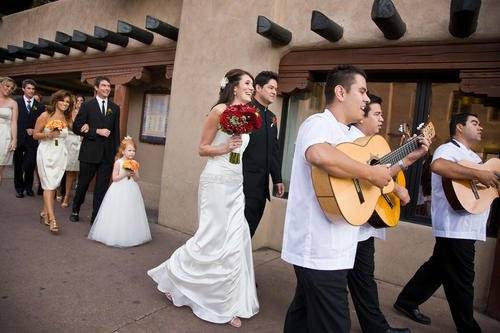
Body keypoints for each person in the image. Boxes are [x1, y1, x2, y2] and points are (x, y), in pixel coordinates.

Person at [281, 65, 393, 333]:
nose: (367, 99)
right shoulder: (318, 123)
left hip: (337, 247)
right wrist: (369, 173)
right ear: (340, 92)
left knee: (303, 315)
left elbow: (365, 172)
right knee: (335, 325)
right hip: (319, 246)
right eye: (362, 91)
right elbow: (319, 154)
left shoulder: (349, 135)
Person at [148, 69, 259, 328]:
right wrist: (224, 147)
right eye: (247, 83)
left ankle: (229, 302)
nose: (251, 87)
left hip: (235, 182)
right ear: (233, 87)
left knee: (236, 237)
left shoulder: (249, 116)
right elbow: (202, 148)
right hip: (216, 180)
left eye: (252, 84)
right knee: (212, 236)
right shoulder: (219, 111)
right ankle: (174, 275)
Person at [394, 112, 498, 332]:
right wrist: (478, 176)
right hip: (456, 227)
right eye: (475, 122)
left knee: (438, 268)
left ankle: (407, 301)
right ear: (459, 127)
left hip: (466, 227)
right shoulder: (447, 149)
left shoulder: (475, 158)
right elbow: (438, 166)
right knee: (462, 280)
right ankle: (468, 328)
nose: (480, 127)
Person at [346, 93, 430, 333]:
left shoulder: (374, 144)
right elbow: (360, 176)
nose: (382, 119)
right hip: (348, 218)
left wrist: (410, 156)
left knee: (364, 279)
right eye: (377, 114)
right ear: (361, 118)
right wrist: (397, 188)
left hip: (363, 223)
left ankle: (377, 328)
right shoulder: (347, 142)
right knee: (335, 282)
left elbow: (381, 172)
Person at [71, 76, 120, 224]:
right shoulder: (87, 105)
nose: (106, 88)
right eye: (103, 85)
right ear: (96, 88)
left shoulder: (115, 108)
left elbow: (116, 132)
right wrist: (95, 131)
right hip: (89, 153)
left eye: (108, 86)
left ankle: (96, 216)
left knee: (101, 188)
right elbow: (76, 127)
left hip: (107, 155)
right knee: (83, 184)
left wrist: (117, 153)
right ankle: (75, 209)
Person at [88, 136, 151, 247]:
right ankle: (113, 234)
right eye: (129, 150)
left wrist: (134, 173)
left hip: (131, 188)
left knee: (130, 210)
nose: (132, 153)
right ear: (123, 151)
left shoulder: (134, 163)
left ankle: (130, 234)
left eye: (134, 151)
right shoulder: (118, 162)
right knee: (117, 209)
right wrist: (124, 174)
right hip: (119, 188)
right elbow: (114, 178)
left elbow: (137, 178)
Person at [243, 71, 285, 237]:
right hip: (244, 183)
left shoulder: (272, 117)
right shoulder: (245, 112)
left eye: (276, 88)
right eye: (270, 87)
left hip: (262, 187)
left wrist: (277, 179)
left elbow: (274, 150)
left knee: (249, 231)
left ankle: (239, 262)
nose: (274, 91)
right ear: (258, 88)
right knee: (239, 231)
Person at [32, 90, 72, 234]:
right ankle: (52, 218)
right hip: (46, 152)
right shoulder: (45, 115)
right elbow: (35, 135)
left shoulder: (67, 117)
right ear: (56, 100)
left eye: (68, 102)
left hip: (60, 153)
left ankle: (44, 212)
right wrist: (48, 134)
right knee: (48, 185)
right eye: (63, 100)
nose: (65, 104)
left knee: (53, 184)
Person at [14, 79, 44, 198]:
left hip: (32, 140)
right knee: (18, 165)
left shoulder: (40, 106)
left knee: (30, 164)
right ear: (23, 89)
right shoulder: (16, 103)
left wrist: (34, 129)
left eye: (33, 89)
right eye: (28, 88)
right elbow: (13, 121)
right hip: (19, 138)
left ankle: (28, 187)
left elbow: (42, 124)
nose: (31, 91)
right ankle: (19, 189)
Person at [61, 94, 84, 208]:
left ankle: (67, 196)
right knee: (61, 168)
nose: (77, 103)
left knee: (71, 171)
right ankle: (58, 190)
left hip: (78, 144)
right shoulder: (66, 113)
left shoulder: (84, 114)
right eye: (75, 101)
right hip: (65, 142)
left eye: (80, 101)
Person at [0, 77, 19, 185]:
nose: (9, 89)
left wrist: (14, 140)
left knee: (0, 167)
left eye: (11, 88)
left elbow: (14, 122)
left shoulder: (13, 103)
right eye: (7, 86)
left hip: (4, 136)